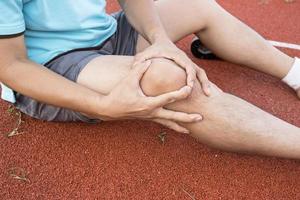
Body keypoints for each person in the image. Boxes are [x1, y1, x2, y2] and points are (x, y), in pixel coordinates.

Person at [0, 0, 299, 159]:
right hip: (52, 64)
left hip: (105, 34)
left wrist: (160, 40)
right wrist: (102, 105)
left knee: (194, 5)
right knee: (169, 78)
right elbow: (11, 65)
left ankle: (295, 73)